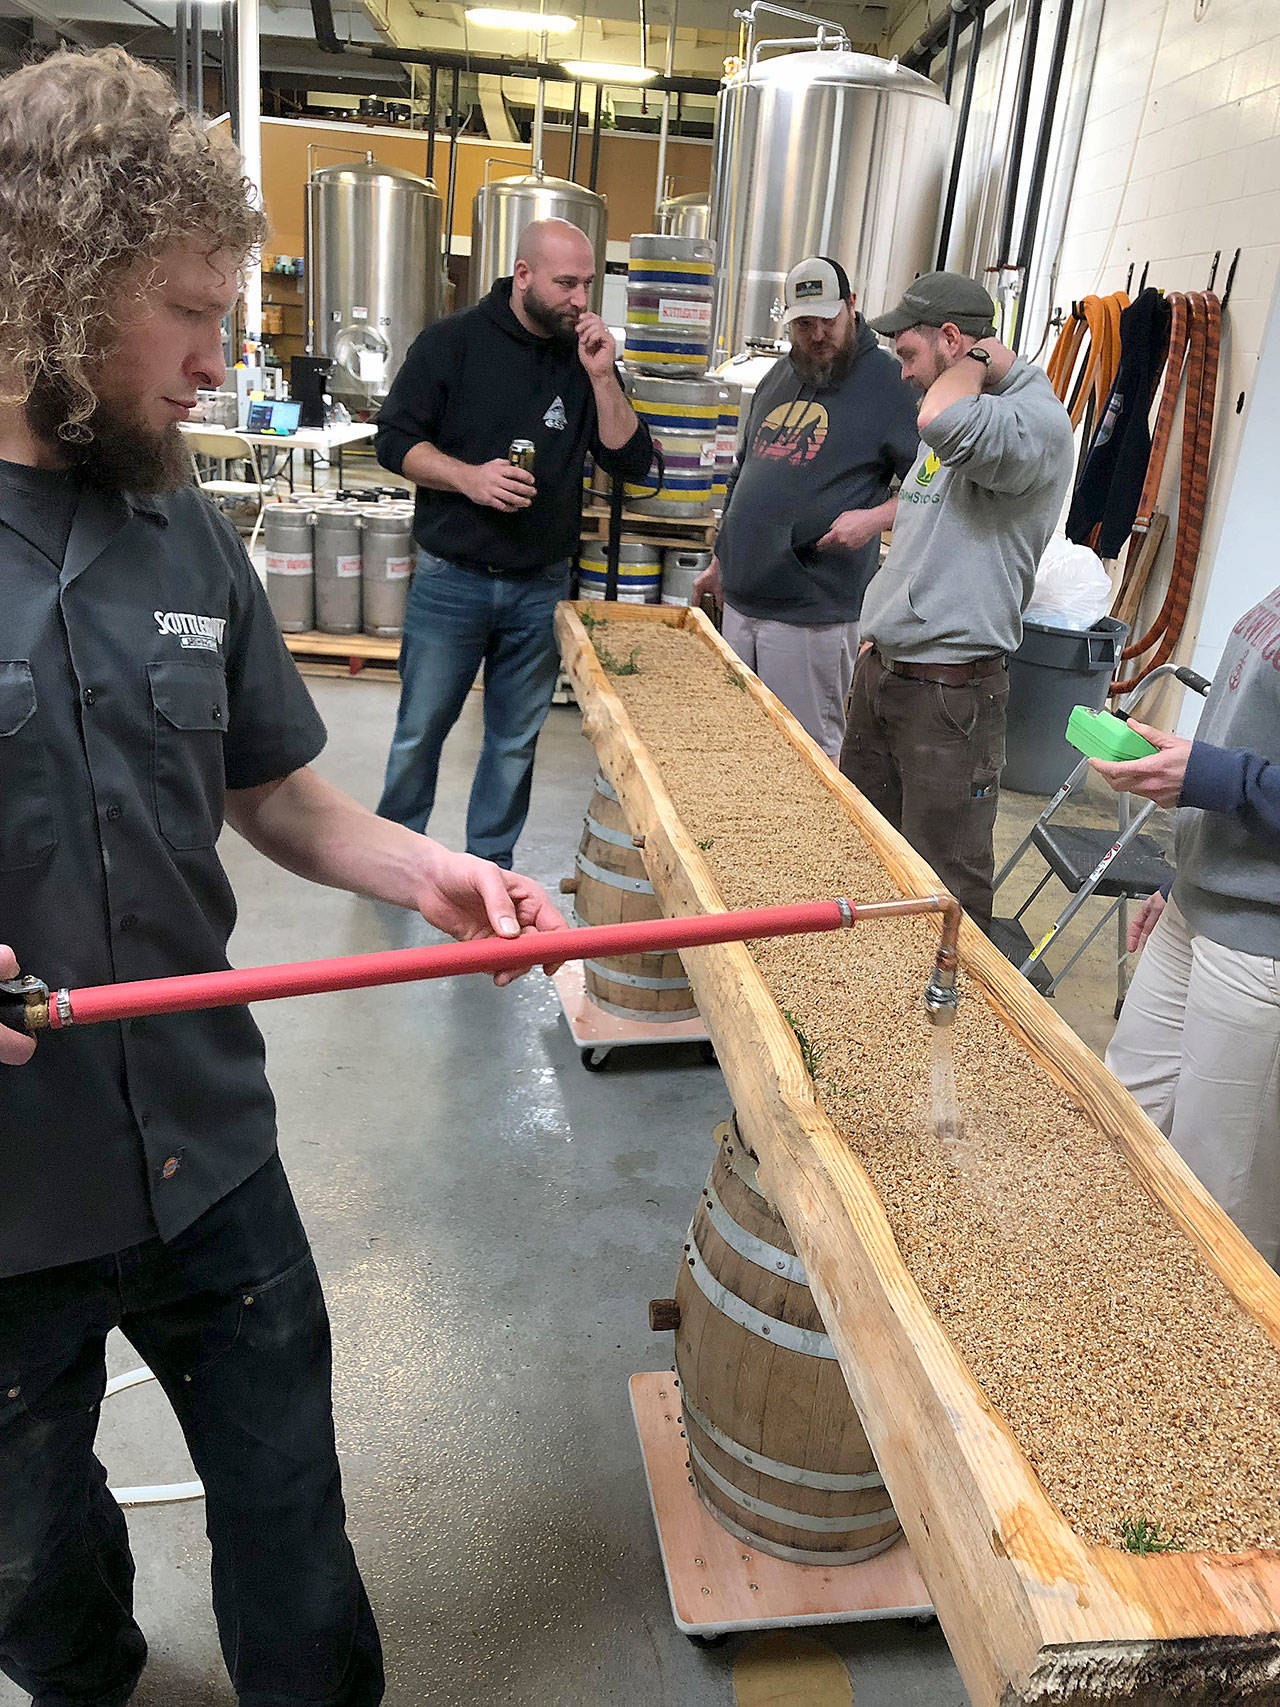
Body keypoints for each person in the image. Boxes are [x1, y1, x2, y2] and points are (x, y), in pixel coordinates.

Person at [0, 47, 563, 1707]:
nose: (221, 352)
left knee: (296, 1540)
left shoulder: (187, 530)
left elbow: (279, 793)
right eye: (185, 308)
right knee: (31, 1567)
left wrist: (433, 870)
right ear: (56, 283)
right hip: (7, 1201)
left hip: (209, 1149)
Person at [373, 220, 653, 867]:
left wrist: (604, 376)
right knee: (420, 732)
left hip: (538, 588)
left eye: (587, 283)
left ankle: (488, 868)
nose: (580, 298)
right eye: (565, 283)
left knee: (513, 742)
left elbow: (632, 463)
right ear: (522, 275)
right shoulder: (452, 344)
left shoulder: (584, 361)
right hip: (452, 581)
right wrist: (466, 476)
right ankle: (394, 861)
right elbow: (393, 441)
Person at [839, 271, 1074, 928]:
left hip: (948, 701)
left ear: (951, 339)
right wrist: (880, 632)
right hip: (891, 674)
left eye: (911, 355)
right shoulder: (964, 410)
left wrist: (971, 360)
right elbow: (927, 520)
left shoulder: (1030, 420)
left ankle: (944, 1021)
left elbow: (940, 416)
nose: (907, 374)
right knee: (865, 853)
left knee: (942, 882)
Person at [1092, 586, 1280, 1266]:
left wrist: (1212, 778)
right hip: (1200, 904)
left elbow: (1238, 769)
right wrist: (1184, 871)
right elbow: (1252, 730)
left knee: (1223, 1203)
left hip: (1263, 940)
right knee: (1120, 1123)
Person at [692, 257, 919, 758]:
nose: (816, 335)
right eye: (802, 324)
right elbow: (743, 473)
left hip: (811, 610)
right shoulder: (779, 376)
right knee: (737, 750)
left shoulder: (891, 384)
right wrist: (720, 560)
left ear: (852, 307)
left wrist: (874, 519)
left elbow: (938, 487)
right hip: (744, 600)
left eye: (826, 322)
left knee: (802, 758)